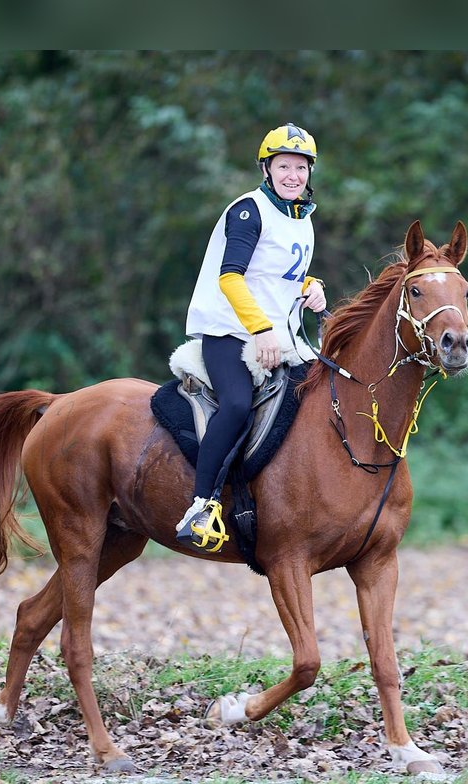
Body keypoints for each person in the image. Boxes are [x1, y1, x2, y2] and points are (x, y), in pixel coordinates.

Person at [175, 123, 328, 550]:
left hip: (278, 334)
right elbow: (232, 277)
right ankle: (201, 505)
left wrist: (309, 287)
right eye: (284, 166)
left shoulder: (300, 217)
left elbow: (277, 277)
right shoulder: (250, 210)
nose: (293, 175)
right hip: (230, 331)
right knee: (239, 404)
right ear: (267, 168)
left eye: (301, 168)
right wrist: (260, 330)